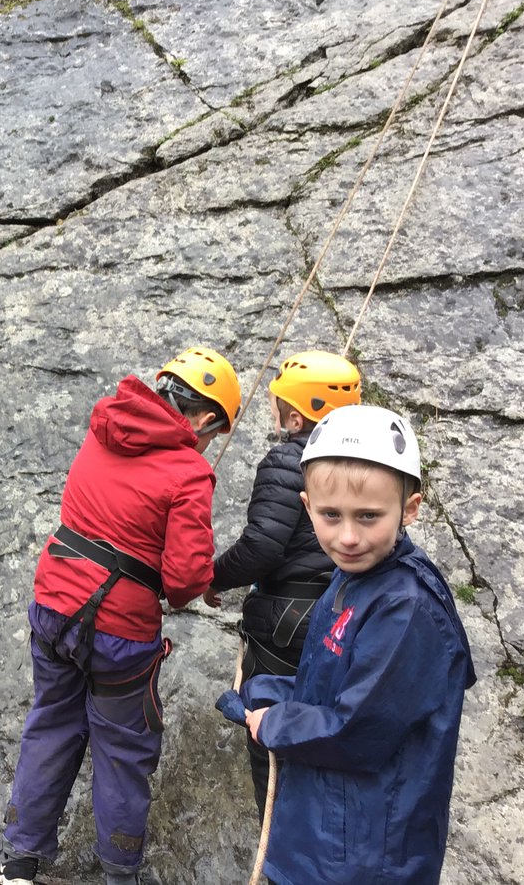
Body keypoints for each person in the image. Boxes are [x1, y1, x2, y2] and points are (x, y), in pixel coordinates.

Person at [0, 347, 242, 885]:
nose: (210, 445)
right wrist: (202, 576)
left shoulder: (105, 426)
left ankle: (19, 857)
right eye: (215, 433)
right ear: (204, 418)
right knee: (123, 748)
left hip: (54, 603)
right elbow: (182, 584)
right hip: (120, 633)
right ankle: (118, 870)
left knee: (52, 724)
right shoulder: (189, 471)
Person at [234, 404, 476, 884]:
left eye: (368, 516)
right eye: (330, 515)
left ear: (409, 508)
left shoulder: (406, 609)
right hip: (328, 831)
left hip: (366, 851)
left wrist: (277, 722)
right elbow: (333, 682)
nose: (347, 536)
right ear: (307, 507)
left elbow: (357, 730)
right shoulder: (352, 578)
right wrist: (268, 691)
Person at [203, 350, 360, 816]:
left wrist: (214, 579)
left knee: (267, 732)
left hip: (286, 629)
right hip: (346, 618)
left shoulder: (289, 459)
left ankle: (278, 848)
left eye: (276, 403)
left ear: (295, 416)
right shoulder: (366, 464)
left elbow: (262, 547)